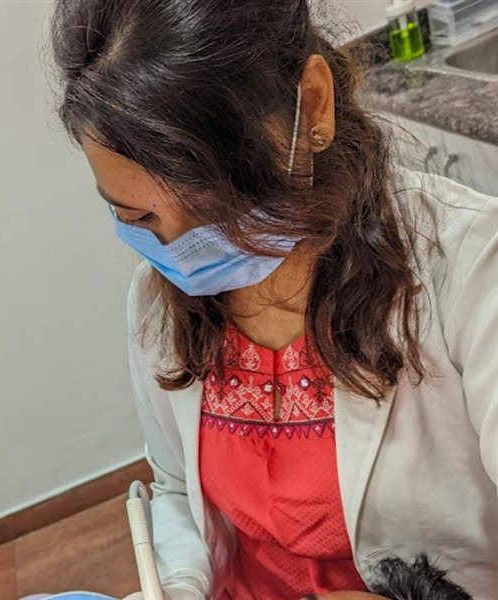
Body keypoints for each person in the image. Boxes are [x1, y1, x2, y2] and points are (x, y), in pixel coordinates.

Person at [49, 1, 497, 599]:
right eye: (138, 217)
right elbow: (177, 487)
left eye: (214, 207)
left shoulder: (470, 268)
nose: (182, 251)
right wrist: (178, 586)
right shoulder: (158, 301)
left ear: (313, 104)